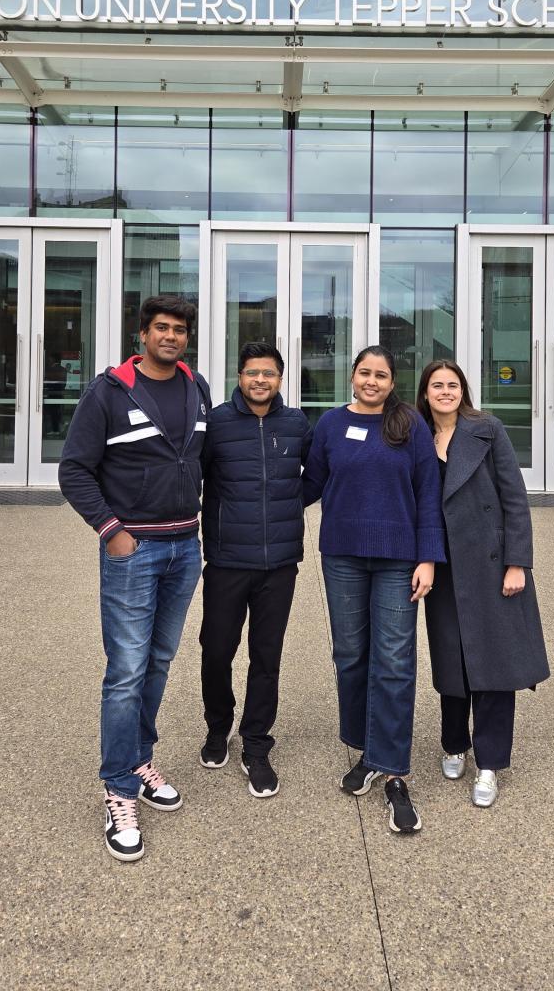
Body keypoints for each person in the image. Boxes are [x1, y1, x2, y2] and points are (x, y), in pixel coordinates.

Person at [59, 295, 210, 862]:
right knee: (125, 670)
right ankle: (119, 789)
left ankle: (139, 758)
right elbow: (74, 468)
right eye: (162, 328)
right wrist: (111, 530)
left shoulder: (197, 388)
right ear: (142, 334)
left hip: (183, 548)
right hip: (134, 550)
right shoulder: (109, 392)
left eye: (179, 330)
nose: (171, 337)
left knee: (159, 661)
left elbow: (203, 461)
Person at [302, 345, 444, 835]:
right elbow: (309, 485)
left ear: (391, 381)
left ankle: (394, 770)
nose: (371, 381)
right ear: (352, 376)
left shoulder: (409, 424)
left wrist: (427, 557)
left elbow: (428, 492)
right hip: (341, 555)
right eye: (364, 372)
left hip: (398, 559)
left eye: (381, 375)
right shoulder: (329, 425)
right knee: (351, 655)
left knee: (395, 659)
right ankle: (366, 749)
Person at [416, 360, 549, 809]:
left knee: (493, 666)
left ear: (463, 391)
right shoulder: (417, 434)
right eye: (437, 385)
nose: (445, 391)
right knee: (451, 662)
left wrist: (517, 563)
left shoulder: (486, 429)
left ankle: (489, 764)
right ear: (426, 392)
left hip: (490, 567)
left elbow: (515, 497)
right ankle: (454, 743)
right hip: (443, 565)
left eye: (452, 385)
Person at [198, 341, 312, 798]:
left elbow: (317, 474)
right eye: (251, 373)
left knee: (267, 657)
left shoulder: (296, 422)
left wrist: (285, 505)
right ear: (240, 377)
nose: (259, 380)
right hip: (227, 560)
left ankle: (256, 744)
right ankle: (217, 726)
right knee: (216, 650)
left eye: (268, 373)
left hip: (280, 564)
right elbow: (195, 476)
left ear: (280, 379)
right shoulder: (218, 423)